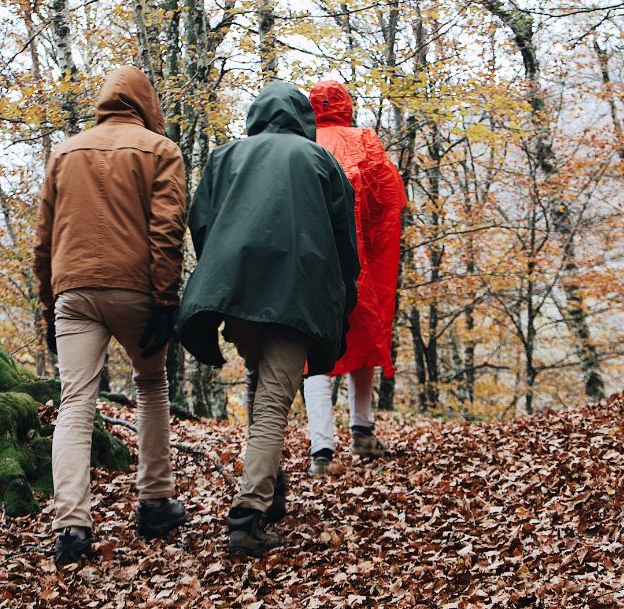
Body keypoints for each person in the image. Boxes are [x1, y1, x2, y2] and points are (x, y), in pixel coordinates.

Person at [178, 81, 359, 558]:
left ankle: (271, 488)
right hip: (298, 295)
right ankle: (248, 512)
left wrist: (223, 274)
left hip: (238, 295)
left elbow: (201, 223)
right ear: (301, 117)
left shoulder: (225, 157)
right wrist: (346, 294)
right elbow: (345, 238)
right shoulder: (319, 160)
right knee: (275, 398)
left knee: (262, 385)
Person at [33, 66, 188, 565]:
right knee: (151, 386)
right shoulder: (160, 150)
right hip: (137, 290)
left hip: (73, 291)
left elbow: (43, 240)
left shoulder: (64, 152)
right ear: (147, 103)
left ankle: (72, 527)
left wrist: (46, 306)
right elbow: (167, 232)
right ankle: (155, 502)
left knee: (75, 402)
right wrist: (166, 300)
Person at [301, 81, 406, 475]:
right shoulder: (365, 140)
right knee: (365, 335)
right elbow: (388, 200)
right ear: (346, 106)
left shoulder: (302, 141)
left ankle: (321, 450)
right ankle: (362, 431)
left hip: (312, 262)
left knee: (316, 349)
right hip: (360, 261)